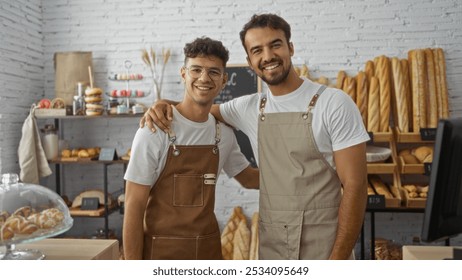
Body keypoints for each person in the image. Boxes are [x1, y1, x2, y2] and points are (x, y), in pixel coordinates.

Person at [141, 14, 369, 260]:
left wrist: (338, 261)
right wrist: (164, 104)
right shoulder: (250, 107)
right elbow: (198, 109)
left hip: (324, 247)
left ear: (290, 48)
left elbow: (355, 187)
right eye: (257, 50)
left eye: (275, 45)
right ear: (250, 61)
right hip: (272, 248)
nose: (268, 56)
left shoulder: (334, 103)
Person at [123, 37, 259, 260]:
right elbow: (133, 206)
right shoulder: (154, 129)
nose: (204, 78)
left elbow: (249, 179)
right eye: (196, 69)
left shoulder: (223, 134)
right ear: (183, 74)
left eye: (214, 72)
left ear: (224, 80)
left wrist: (301, 171)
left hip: (208, 253)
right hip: (161, 256)